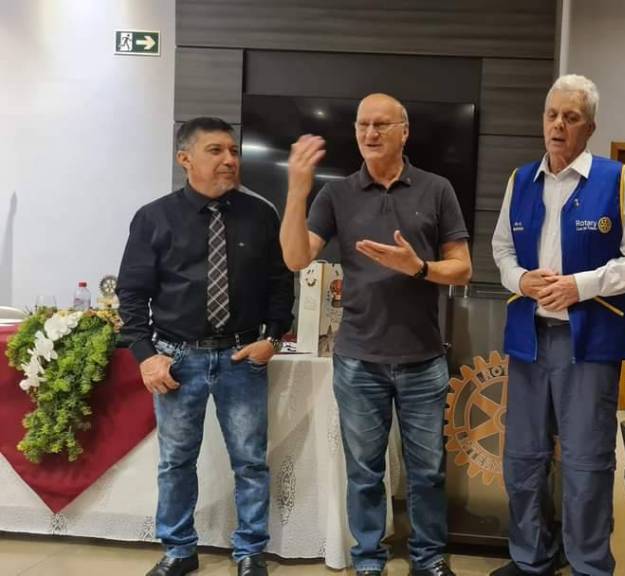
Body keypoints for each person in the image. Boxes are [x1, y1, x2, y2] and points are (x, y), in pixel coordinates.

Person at [280, 93, 471, 576]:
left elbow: (462, 268)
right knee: (365, 473)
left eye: (381, 124)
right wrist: (297, 192)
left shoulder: (437, 189)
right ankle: (368, 560)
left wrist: (419, 267)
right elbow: (296, 258)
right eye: (363, 124)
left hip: (423, 359)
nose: (370, 133)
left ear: (404, 131)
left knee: (427, 472)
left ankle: (428, 560)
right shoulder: (336, 194)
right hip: (358, 361)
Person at [490, 74, 625, 576]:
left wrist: (580, 286)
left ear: (590, 128)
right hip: (530, 339)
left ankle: (588, 564)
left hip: (589, 344)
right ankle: (531, 558)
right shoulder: (520, 181)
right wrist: (521, 279)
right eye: (552, 115)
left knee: (586, 461)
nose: (558, 125)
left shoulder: (617, 180)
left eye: (571, 117)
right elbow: (501, 249)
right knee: (523, 458)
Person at [117, 117, 294, 576]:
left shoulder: (261, 215)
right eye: (215, 151)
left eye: (233, 151)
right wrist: (146, 355)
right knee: (176, 462)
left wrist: (273, 338)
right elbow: (132, 293)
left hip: (241, 357)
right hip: (177, 358)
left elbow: (281, 283)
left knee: (250, 461)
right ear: (185, 158)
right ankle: (179, 550)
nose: (229, 160)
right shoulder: (154, 218)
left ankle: (250, 552)